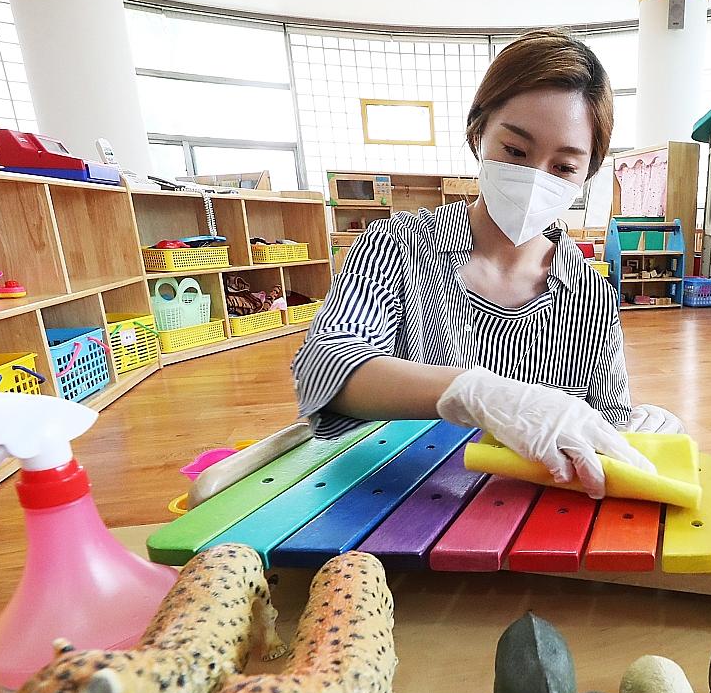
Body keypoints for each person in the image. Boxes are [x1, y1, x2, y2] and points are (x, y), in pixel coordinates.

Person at [292, 28, 681, 497]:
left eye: (564, 167)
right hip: (407, 505)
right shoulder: (396, 246)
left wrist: (637, 432)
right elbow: (323, 367)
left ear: (587, 174)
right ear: (478, 134)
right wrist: (477, 392)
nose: (535, 178)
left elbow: (607, 418)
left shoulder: (585, 286)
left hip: (534, 517)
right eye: (515, 152)